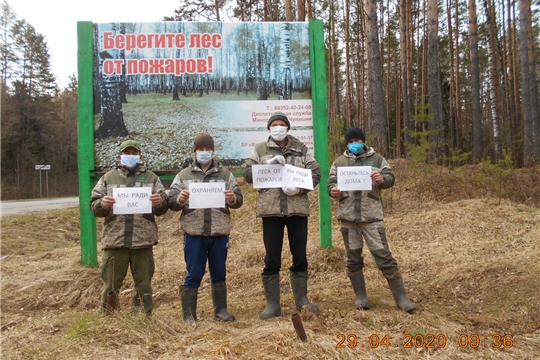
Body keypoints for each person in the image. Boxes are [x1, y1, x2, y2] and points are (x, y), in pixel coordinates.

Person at [327, 126, 417, 313]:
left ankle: (402, 299)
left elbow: (390, 178)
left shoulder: (377, 159)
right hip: (348, 218)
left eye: (357, 141)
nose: (354, 144)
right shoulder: (339, 162)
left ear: (363, 141)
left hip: (372, 218)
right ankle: (361, 298)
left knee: (383, 256)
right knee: (353, 258)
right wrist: (333, 191)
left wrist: (381, 179)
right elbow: (331, 184)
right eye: (351, 142)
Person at [243, 111, 321, 320]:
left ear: (288, 128)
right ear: (269, 129)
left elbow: (316, 174)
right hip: (271, 211)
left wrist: (300, 189)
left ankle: (302, 301)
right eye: (274, 125)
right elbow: (248, 175)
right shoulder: (260, 149)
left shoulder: (302, 149)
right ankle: (273, 305)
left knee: (300, 256)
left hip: (297, 210)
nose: (278, 128)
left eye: (282, 125)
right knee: (272, 258)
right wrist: (266, 166)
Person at [168, 134, 243, 324]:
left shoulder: (225, 175)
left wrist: (232, 199)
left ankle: (221, 311)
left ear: (213, 151)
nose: (204, 152)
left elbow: (239, 199)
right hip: (194, 232)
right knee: (194, 273)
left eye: (207, 149)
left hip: (219, 231)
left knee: (219, 272)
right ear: (195, 151)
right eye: (200, 149)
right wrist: (180, 200)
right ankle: (189, 315)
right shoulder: (183, 176)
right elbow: (171, 201)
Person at [90, 139, 168, 316]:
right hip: (115, 241)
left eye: (134, 153)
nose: (130, 156)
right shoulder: (107, 178)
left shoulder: (152, 178)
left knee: (144, 284)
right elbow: (94, 206)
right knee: (110, 284)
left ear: (140, 156)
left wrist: (159, 203)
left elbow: (163, 207)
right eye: (127, 153)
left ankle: (143, 317)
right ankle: (108, 318)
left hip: (143, 241)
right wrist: (102, 204)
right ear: (120, 156)